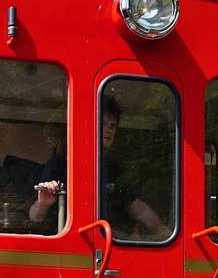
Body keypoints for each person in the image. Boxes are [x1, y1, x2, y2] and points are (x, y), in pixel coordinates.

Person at [29, 97, 164, 235]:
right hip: (66, 245)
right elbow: (34, 217)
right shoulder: (59, 163)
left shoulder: (112, 167)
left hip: (106, 242)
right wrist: (42, 204)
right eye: (104, 124)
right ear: (90, 126)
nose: (108, 130)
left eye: (113, 126)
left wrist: (166, 233)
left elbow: (136, 206)